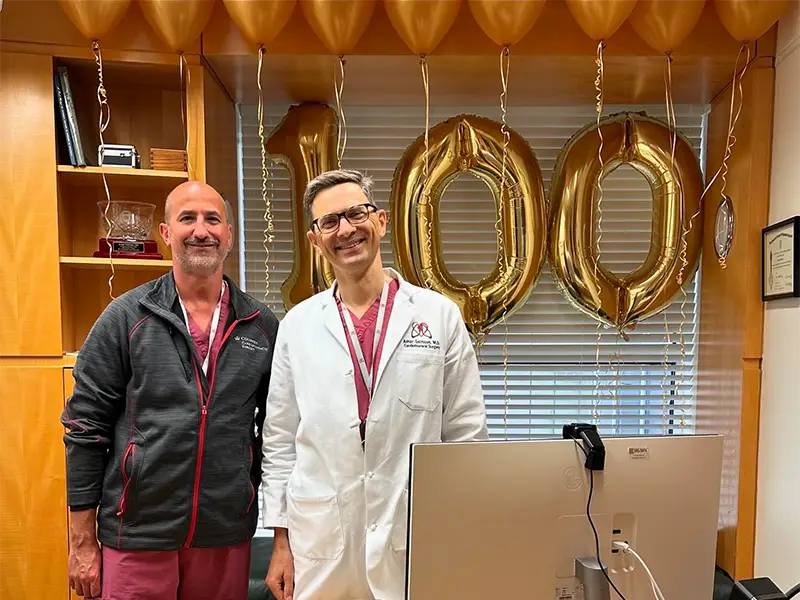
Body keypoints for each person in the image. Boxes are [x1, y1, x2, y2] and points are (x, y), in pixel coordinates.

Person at [261, 169, 489, 600]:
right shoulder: (298, 326)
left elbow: (466, 436)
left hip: (414, 534)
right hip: (321, 542)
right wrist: (280, 542)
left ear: (380, 221)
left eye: (355, 214)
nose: (344, 230)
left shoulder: (438, 317)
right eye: (329, 222)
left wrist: (462, 533)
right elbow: (279, 442)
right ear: (315, 240)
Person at [61, 181, 279, 600]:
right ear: (165, 233)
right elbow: (84, 430)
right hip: (137, 533)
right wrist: (82, 540)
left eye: (213, 219)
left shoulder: (261, 325)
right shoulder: (125, 318)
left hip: (223, 535)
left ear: (229, 235)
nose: (201, 230)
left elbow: (276, 433)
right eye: (187, 218)